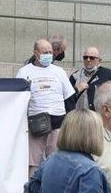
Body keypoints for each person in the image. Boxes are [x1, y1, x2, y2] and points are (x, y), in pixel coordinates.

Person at [18, 39, 77, 174]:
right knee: (34, 163)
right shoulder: (24, 72)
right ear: (36, 53)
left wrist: (70, 123)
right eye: (45, 52)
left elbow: (69, 98)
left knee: (57, 161)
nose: (49, 55)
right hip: (35, 124)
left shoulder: (59, 71)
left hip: (58, 123)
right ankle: (33, 191)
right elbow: (19, 100)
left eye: (50, 52)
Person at [68, 46, 111, 111]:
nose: (88, 60)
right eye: (85, 57)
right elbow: (67, 98)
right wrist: (76, 89)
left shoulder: (109, 75)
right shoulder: (75, 76)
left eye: (92, 58)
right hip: (80, 115)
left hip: (99, 116)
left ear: (99, 61)